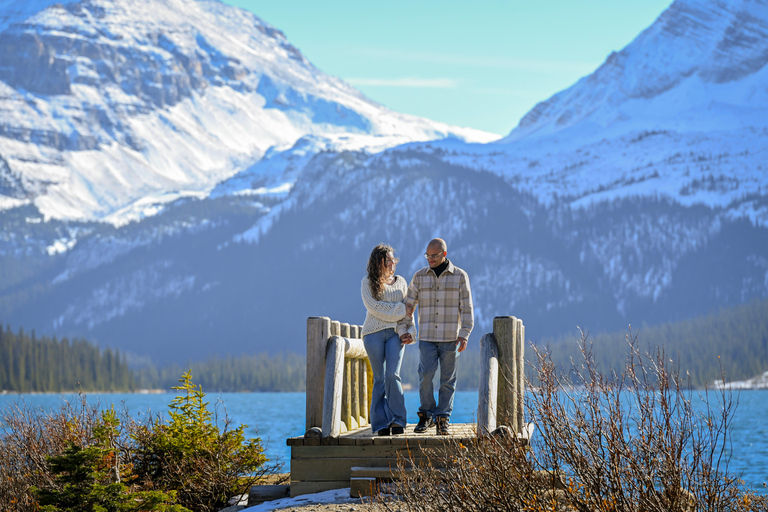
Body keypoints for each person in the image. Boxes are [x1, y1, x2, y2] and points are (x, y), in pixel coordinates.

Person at [397, 238, 473, 435]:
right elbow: (408, 305)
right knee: (425, 375)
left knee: (448, 380)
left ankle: (443, 419)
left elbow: (466, 308)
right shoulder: (419, 277)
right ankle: (427, 415)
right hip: (427, 337)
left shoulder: (460, 276)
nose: (430, 259)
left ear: (444, 254)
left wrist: (464, 334)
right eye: (427, 255)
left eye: (434, 256)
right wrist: (406, 329)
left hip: (451, 338)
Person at [361, 243, 412, 436]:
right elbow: (374, 308)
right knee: (380, 378)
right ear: (378, 262)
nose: (392, 263)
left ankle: (398, 420)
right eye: (388, 259)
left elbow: (409, 311)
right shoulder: (367, 282)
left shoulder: (401, 282)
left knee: (393, 375)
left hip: (395, 334)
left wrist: (409, 330)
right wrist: (399, 310)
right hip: (372, 334)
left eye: (393, 259)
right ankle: (381, 423)